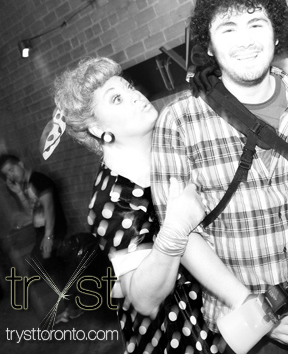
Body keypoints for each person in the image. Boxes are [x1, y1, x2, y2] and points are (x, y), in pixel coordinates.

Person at [151, 0, 288, 353]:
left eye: (256, 24)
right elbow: (184, 235)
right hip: (245, 320)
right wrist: (253, 307)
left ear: (276, 35)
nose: (245, 40)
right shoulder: (178, 122)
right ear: (208, 46)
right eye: (228, 28)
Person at [52, 57, 245, 353]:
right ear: (97, 128)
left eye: (129, 87)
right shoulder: (112, 200)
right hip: (180, 335)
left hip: (224, 311)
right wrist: (175, 229)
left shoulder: (169, 153)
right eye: (116, 98)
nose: (135, 96)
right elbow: (143, 298)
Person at [0, 153, 81, 323]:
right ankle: (74, 305)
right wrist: (19, 193)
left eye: (11, 169)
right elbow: (31, 213)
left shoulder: (39, 180)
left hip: (53, 231)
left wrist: (49, 236)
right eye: (7, 174)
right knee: (53, 269)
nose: (11, 176)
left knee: (42, 268)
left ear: (21, 164)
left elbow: (49, 208)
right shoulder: (27, 185)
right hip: (42, 234)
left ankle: (74, 304)